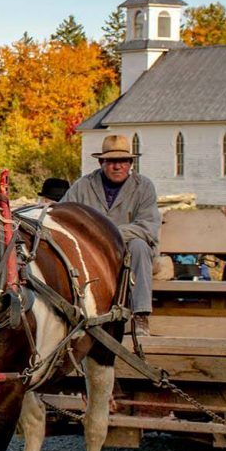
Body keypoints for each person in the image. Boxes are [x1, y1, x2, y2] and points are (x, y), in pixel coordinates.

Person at [62, 134, 160, 334]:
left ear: (131, 163)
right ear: (101, 162)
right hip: (92, 252)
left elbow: (148, 227)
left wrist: (107, 232)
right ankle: (71, 318)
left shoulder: (144, 187)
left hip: (129, 252)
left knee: (139, 246)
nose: (117, 166)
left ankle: (140, 316)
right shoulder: (83, 185)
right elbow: (63, 215)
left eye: (122, 161)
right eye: (111, 161)